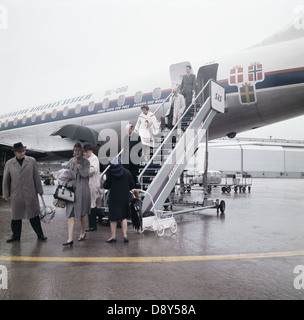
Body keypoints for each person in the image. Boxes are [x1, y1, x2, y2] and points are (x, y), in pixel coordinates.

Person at [2, 142, 47, 242]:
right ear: (15, 153)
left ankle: (40, 235)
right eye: (20, 151)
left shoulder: (31, 161)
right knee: (16, 217)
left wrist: (40, 190)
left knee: (34, 215)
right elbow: (6, 180)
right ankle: (15, 236)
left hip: (30, 193)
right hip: (16, 194)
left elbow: (36, 177)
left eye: (23, 151)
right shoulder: (9, 163)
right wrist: (6, 194)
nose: (22, 153)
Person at [63, 142, 91, 246]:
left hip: (83, 190)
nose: (76, 152)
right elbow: (67, 173)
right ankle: (70, 238)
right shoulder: (71, 161)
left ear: (82, 151)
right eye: (75, 150)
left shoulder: (86, 162)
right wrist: (72, 166)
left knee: (83, 213)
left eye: (78, 150)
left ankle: (83, 232)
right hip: (72, 190)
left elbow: (85, 174)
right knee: (70, 214)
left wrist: (78, 166)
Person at [103, 156, 134, 243]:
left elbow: (106, 186)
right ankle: (125, 236)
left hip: (114, 197)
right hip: (124, 197)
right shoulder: (127, 172)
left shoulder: (110, 173)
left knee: (113, 218)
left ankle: (113, 236)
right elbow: (132, 184)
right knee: (123, 217)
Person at [83, 143, 101, 232]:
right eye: (84, 152)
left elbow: (92, 170)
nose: (85, 154)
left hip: (92, 184)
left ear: (91, 151)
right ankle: (99, 216)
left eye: (87, 152)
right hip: (88, 184)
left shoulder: (94, 158)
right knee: (90, 204)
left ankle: (92, 225)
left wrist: (82, 170)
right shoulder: (86, 158)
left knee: (91, 204)